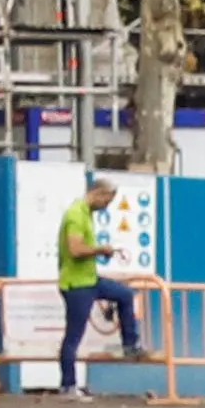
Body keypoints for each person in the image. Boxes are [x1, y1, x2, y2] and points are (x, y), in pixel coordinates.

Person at [51, 166, 147, 394]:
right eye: (108, 201)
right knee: (74, 335)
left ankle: (130, 345)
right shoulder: (76, 214)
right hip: (76, 285)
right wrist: (100, 250)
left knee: (125, 295)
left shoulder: (85, 213)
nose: (107, 207)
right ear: (99, 194)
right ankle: (68, 385)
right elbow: (75, 249)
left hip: (89, 280)